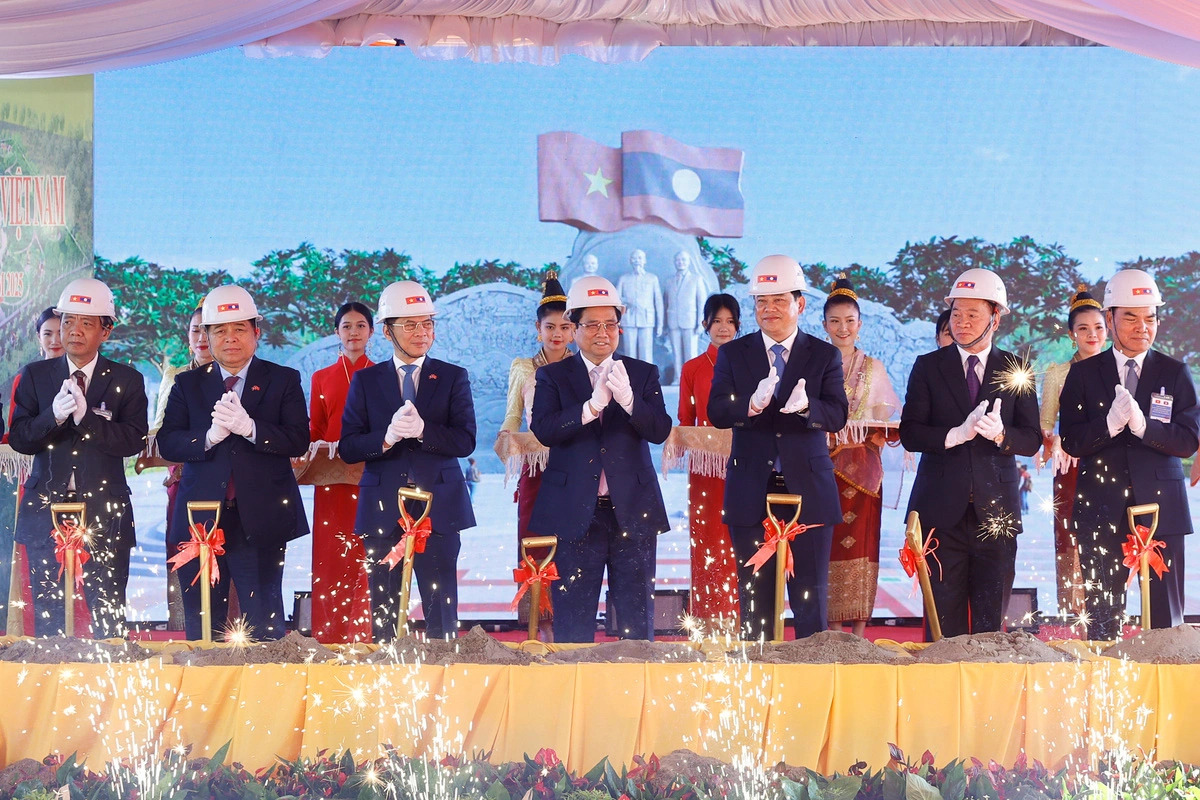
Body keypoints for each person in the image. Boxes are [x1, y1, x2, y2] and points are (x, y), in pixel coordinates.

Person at [708, 255, 849, 640]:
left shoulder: (824, 355)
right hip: (752, 488)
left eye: (778, 300)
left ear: (799, 304)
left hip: (809, 490)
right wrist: (749, 406)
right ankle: (757, 683)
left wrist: (808, 408)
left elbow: (837, 414)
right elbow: (717, 410)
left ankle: (812, 687)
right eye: (761, 302)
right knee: (754, 597)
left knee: (811, 599)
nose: (768, 309)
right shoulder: (734, 353)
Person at [159, 285, 310, 641]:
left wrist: (252, 429)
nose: (230, 338)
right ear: (207, 337)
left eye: (239, 329)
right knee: (203, 624)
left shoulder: (283, 379)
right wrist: (208, 438)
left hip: (261, 517)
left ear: (256, 332)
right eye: (220, 331)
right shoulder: (187, 384)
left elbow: (298, 439)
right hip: (201, 520)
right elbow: (168, 441)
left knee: (263, 623)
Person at [900, 268, 1041, 639]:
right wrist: (953, 435)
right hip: (939, 513)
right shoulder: (928, 366)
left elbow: (1031, 438)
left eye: (972, 314)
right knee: (941, 624)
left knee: (990, 624)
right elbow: (910, 432)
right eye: (955, 313)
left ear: (995, 317)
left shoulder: (1017, 368)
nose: (961, 322)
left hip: (996, 512)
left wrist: (1002, 436)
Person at [529, 275, 671, 642]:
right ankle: (574, 695)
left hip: (632, 509)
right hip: (575, 510)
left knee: (636, 617)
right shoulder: (553, 376)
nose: (602, 332)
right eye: (591, 324)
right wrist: (589, 408)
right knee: (573, 618)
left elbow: (659, 429)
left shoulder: (641, 373)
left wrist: (629, 401)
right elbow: (544, 429)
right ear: (574, 329)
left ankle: (636, 693)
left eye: (610, 324)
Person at [1060, 269, 1198, 640]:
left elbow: (1187, 440)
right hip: (1101, 509)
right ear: (1110, 318)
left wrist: (1143, 428)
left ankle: (1164, 689)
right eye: (1131, 317)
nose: (1142, 327)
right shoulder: (1085, 375)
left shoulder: (1175, 371)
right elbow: (1071, 441)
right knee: (1103, 617)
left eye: (1150, 318)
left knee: (1166, 622)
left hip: (1161, 511)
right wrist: (1107, 425)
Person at [9, 278, 148, 638]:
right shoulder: (36, 376)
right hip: (44, 509)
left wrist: (86, 420)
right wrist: (52, 417)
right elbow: (22, 439)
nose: (74, 331)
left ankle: (109, 684)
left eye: (87, 323)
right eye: (69, 321)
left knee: (108, 612)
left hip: (105, 510)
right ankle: (48, 687)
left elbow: (132, 441)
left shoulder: (127, 380)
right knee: (49, 613)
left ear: (106, 330)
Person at [340, 281, 476, 641]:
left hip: (440, 506)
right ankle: (387, 675)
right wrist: (385, 438)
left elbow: (465, 439)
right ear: (387, 331)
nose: (421, 333)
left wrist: (423, 431)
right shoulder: (366, 381)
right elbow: (349, 447)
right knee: (384, 607)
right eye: (410, 325)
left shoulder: (452, 376)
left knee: (441, 604)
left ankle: (442, 676)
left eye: (427, 324)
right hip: (382, 506)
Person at [821, 276, 901, 637]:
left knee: (865, 543)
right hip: (824, 469)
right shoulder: (813, 365)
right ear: (824, 325)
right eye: (835, 321)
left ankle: (859, 630)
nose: (843, 328)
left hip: (866, 471)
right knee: (828, 544)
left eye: (850, 321)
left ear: (860, 325)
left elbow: (888, 416)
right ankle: (834, 627)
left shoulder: (875, 368)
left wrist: (872, 430)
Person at [498, 271, 574, 641]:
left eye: (564, 326)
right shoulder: (524, 367)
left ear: (574, 330)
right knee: (534, 540)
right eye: (550, 327)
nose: (557, 334)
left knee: (574, 543)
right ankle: (538, 621)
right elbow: (513, 414)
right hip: (536, 469)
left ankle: (572, 616)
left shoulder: (583, 368)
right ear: (538, 328)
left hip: (576, 468)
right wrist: (506, 436)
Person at [307, 301, 374, 643]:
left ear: (372, 332)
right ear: (336, 332)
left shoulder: (381, 374)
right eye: (346, 326)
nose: (353, 332)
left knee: (367, 555)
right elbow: (315, 430)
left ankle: (363, 633)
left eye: (360, 325)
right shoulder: (321, 378)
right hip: (330, 481)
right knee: (330, 556)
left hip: (370, 480)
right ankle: (328, 634)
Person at [1038, 286, 1106, 618]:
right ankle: (1078, 623)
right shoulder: (1057, 373)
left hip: (1114, 467)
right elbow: (1046, 423)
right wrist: (1051, 439)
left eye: (1098, 327)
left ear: (1107, 328)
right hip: (1071, 468)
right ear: (1071, 334)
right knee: (1071, 543)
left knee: (1112, 542)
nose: (1092, 335)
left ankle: (1111, 620)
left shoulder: (1120, 369)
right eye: (1083, 328)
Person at [149, 302, 214, 633]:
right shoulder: (175, 377)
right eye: (195, 330)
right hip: (184, 482)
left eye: (208, 329)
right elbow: (160, 433)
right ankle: (185, 634)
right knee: (185, 560)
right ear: (187, 337)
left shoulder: (236, 375)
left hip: (228, 487)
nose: (202, 337)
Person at [677, 293, 741, 627]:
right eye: (717, 320)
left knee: (742, 537)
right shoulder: (693, 368)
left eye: (730, 321)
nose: (723, 327)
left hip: (744, 466)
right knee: (707, 537)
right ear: (705, 324)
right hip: (704, 470)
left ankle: (742, 618)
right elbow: (685, 419)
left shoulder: (751, 364)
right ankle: (707, 618)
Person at [4, 307, 67, 636]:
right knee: (46, 586)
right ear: (38, 338)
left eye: (62, 331)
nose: (56, 340)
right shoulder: (27, 377)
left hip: (83, 495)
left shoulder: (85, 377)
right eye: (48, 333)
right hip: (40, 488)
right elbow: (17, 433)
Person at [664, 252, 708, 384]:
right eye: (677, 260)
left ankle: (692, 379)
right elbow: (666, 303)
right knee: (676, 353)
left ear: (689, 261)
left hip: (690, 322)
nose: (680, 262)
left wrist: (701, 323)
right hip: (673, 321)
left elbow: (702, 302)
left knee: (690, 353)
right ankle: (678, 378)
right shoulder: (669, 281)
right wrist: (666, 324)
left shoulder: (696, 279)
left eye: (683, 259)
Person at [617, 249, 663, 363]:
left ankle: (648, 379)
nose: (637, 261)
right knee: (629, 352)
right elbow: (616, 300)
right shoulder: (624, 278)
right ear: (630, 261)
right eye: (634, 258)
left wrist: (660, 324)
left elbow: (658, 301)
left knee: (646, 352)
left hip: (646, 319)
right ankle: (629, 379)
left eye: (640, 258)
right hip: (629, 319)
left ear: (645, 260)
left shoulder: (652, 278)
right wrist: (626, 300)